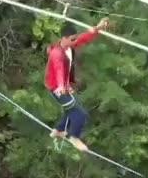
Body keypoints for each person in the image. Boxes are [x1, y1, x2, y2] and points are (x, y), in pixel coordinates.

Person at [45, 17, 110, 151]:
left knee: (73, 108)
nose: (75, 41)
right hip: (58, 88)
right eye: (72, 39)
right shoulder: (57, 54)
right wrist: (63, 87)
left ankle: (58, 130)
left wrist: (98, 28)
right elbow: (58, 71)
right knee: (80, 114)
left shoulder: (68, 45)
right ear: (64, 38)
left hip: (63, 86)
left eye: (75, 39)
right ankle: (73, 137)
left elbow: (83, 38)